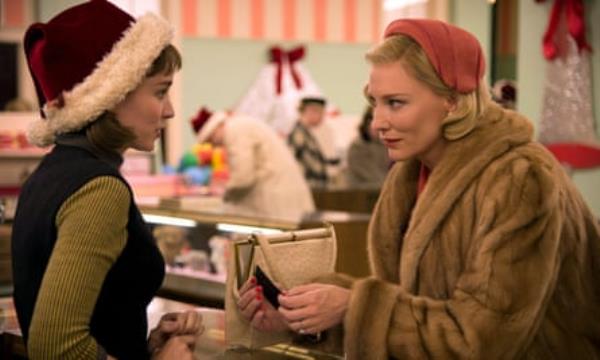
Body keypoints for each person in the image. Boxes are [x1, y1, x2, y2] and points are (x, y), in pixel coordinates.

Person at [236, 18, 600, 359]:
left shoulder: (520, 178)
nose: (378, 122)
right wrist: (304, 313)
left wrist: (353, 305)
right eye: (374, 103)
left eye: (396, 103)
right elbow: (412, 311)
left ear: (452, 102)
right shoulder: (410, 173)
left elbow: (484, 341)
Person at [11, 1, 203, 359]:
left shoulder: (52, 173)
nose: (170, 110)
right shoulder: (99, 189)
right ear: (111, 96)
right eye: (160, 91)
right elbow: (56, 348)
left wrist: (146, 348)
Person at [192, 107, 315, 221]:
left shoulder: (234, 131)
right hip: (282, 196)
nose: (213, 146)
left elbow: (243, 178)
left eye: (210, 140)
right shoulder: (239, 125)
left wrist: (223, 196)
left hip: (277, 200)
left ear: (214, 129)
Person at [287, 97, 340, 187]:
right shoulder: (299, 135)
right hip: (308, 187)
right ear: (311, 111)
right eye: (321, 113)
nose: (322, 118)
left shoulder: (304, 133)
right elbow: (308, 165)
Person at [345, 106, 389, 187]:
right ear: (366, 124)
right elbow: (373, 177)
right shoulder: (357, 147)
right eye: (372, 122)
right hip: (361, 194)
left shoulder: (386, 146)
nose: (377, 127)